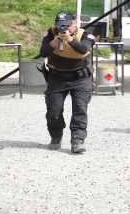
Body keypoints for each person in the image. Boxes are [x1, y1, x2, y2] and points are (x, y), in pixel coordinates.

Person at [39, 11, 96, 153]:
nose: (63, 28)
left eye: (67, 25)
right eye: (60, 25)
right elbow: (43, 52)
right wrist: (53, 43)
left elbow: (83, 49)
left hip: (80, 78)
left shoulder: (86, 34)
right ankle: (56, 137)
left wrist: (70, 40)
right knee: (54, 110)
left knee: (80, 109)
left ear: (75, 23)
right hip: (57, 77)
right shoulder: (51, 33)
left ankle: (77, 140)